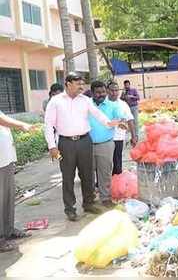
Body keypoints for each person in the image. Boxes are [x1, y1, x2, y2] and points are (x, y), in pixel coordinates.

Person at [44, 72, 119, 221]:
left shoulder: (85, 100)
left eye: (82, 83)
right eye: (78, 84)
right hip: (65, 144)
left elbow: (98, 114)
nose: (82, 86)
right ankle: (70, 208)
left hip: (85, 141)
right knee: (68, 176)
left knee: (87, 174)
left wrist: (110, 123)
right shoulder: (55, 101)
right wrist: (52, 146)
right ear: (68, 84)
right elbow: (48, 125)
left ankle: (89, 203)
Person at [0, 112, 35, 252]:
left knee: (8, 198)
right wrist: (22, 125)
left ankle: (8, 230)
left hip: (5, 160)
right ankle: (0, 238)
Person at [89, 81, 127, 207]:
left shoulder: (113, 106)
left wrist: (120, 122)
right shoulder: (86, 104)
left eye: (103, 92)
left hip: (106, 144)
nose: (101, 95)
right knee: (87, 173)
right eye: (98, 92)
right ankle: (89, 199)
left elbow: (119, 118)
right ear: (92, 93)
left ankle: (105, 198)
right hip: (86, 145)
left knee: (105, 173)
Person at [107, 82, 137, 175]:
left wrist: (133, 136)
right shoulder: (103, 103)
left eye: (116, 90)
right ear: (107, 91)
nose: (114, 93)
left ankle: (116, 183)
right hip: (104, 138)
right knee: (105, 163)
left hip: (118, 137)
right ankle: (103, 184)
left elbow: (130, 119)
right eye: (112, 90)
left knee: (117, 163)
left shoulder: (123, 104)